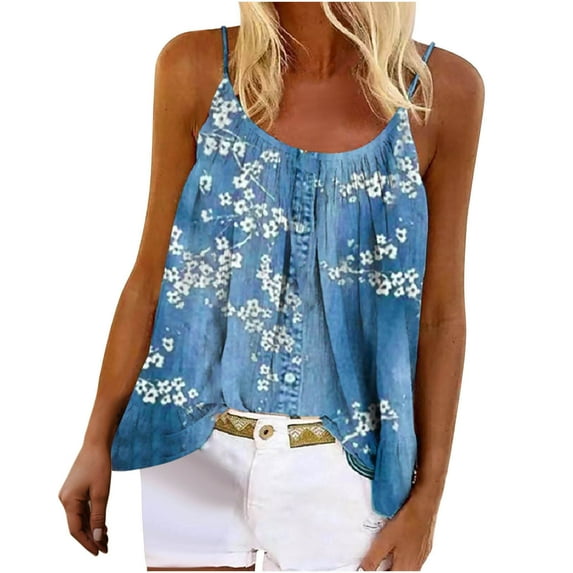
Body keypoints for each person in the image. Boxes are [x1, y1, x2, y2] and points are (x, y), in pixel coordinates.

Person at [58, 2, 484, 571]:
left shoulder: (441, 90)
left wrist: (428, 497)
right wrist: (96, 438)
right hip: (193, 449)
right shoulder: (196, 67)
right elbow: (152, 280)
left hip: (348, 465)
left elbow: (440, 315)